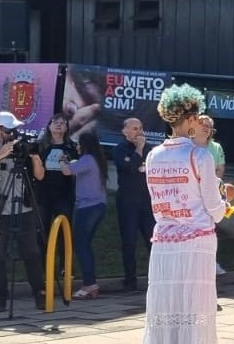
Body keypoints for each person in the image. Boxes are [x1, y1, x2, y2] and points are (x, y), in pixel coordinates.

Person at [137, 85, 230, 344]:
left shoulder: (153, 155)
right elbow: (214, 208)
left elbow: (156, 201)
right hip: (196, 241)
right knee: (194, 311)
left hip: (164, 241)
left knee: (167, 310)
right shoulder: (199, 155)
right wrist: (224, 205)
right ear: (191, 118)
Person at [0, 111, 47, 314]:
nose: (13, 134)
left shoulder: (22, 147)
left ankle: (39, 294)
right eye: (8, 130)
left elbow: (39, 176)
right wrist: (1, 155)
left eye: (15, 130)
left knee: (31, 252)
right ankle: (0, 299)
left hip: (25, 208)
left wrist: (36, 158)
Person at [114, 118, 155, 292]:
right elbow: (130, 168)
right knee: (129, 242)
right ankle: (130, 280)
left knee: (153, 241)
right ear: (125, 132)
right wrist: (138, 149)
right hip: (128, 202)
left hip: (147, 202)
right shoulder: (119, 149)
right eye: (135, 128)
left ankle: (157, 278)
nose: (139, 132)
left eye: (141, 128)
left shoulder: (151, 151)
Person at [69, 133, 110, 300]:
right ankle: (90, 282)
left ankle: (89, 284)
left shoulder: (87, 159)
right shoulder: (96, 160)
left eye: (79, 144)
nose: (77, 147)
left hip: (88, 207)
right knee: (85, 244)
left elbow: (67, 171)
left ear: (84, 145)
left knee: (81, 245)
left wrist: (63, 161)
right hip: (98, 205)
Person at [30, 114, 78, 247]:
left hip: (64, 194)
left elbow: (74, 171)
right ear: (49, 126)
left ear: (67, 128)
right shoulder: (40, 146)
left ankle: (65, 265)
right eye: (55, 122)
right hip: (43, 194)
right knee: (41, 230)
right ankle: (41, 265)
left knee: (64, 229)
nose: (59, 124)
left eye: (63, 123)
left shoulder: (72, 147)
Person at [193, 114, 229, 276]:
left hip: (212, 191)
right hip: (194, 194)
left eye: (209, 126)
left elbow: (219, 169)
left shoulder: (216, 148)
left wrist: (213, 184)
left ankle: (211, 263)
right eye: (203, 125)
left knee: (210, 228)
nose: (207, 128)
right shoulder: (190, 146)